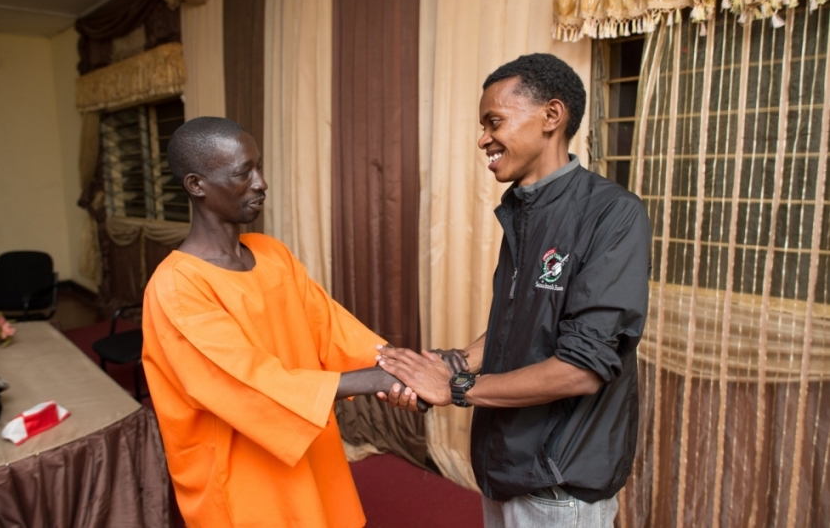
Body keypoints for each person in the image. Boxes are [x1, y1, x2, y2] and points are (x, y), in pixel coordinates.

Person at [377, 53, 651, 527]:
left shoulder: (613, 214)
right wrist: (455, 361)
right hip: (503, 466)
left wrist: (457, 387)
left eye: (494, 122)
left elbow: (581, 370)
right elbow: (519, 325)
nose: (483, 139)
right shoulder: (522, 210)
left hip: (558, 485)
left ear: (551, 116)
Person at [141, 116, 420, 528]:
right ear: (196, 185)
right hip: (242, 474)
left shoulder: (271, 253)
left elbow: (332, 329)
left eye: (259, 167)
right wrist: (379, 380)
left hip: (308, 444)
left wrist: (404, 366)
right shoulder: (176, 288)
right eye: (243, 173)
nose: (261, 183)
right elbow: (246, 383)